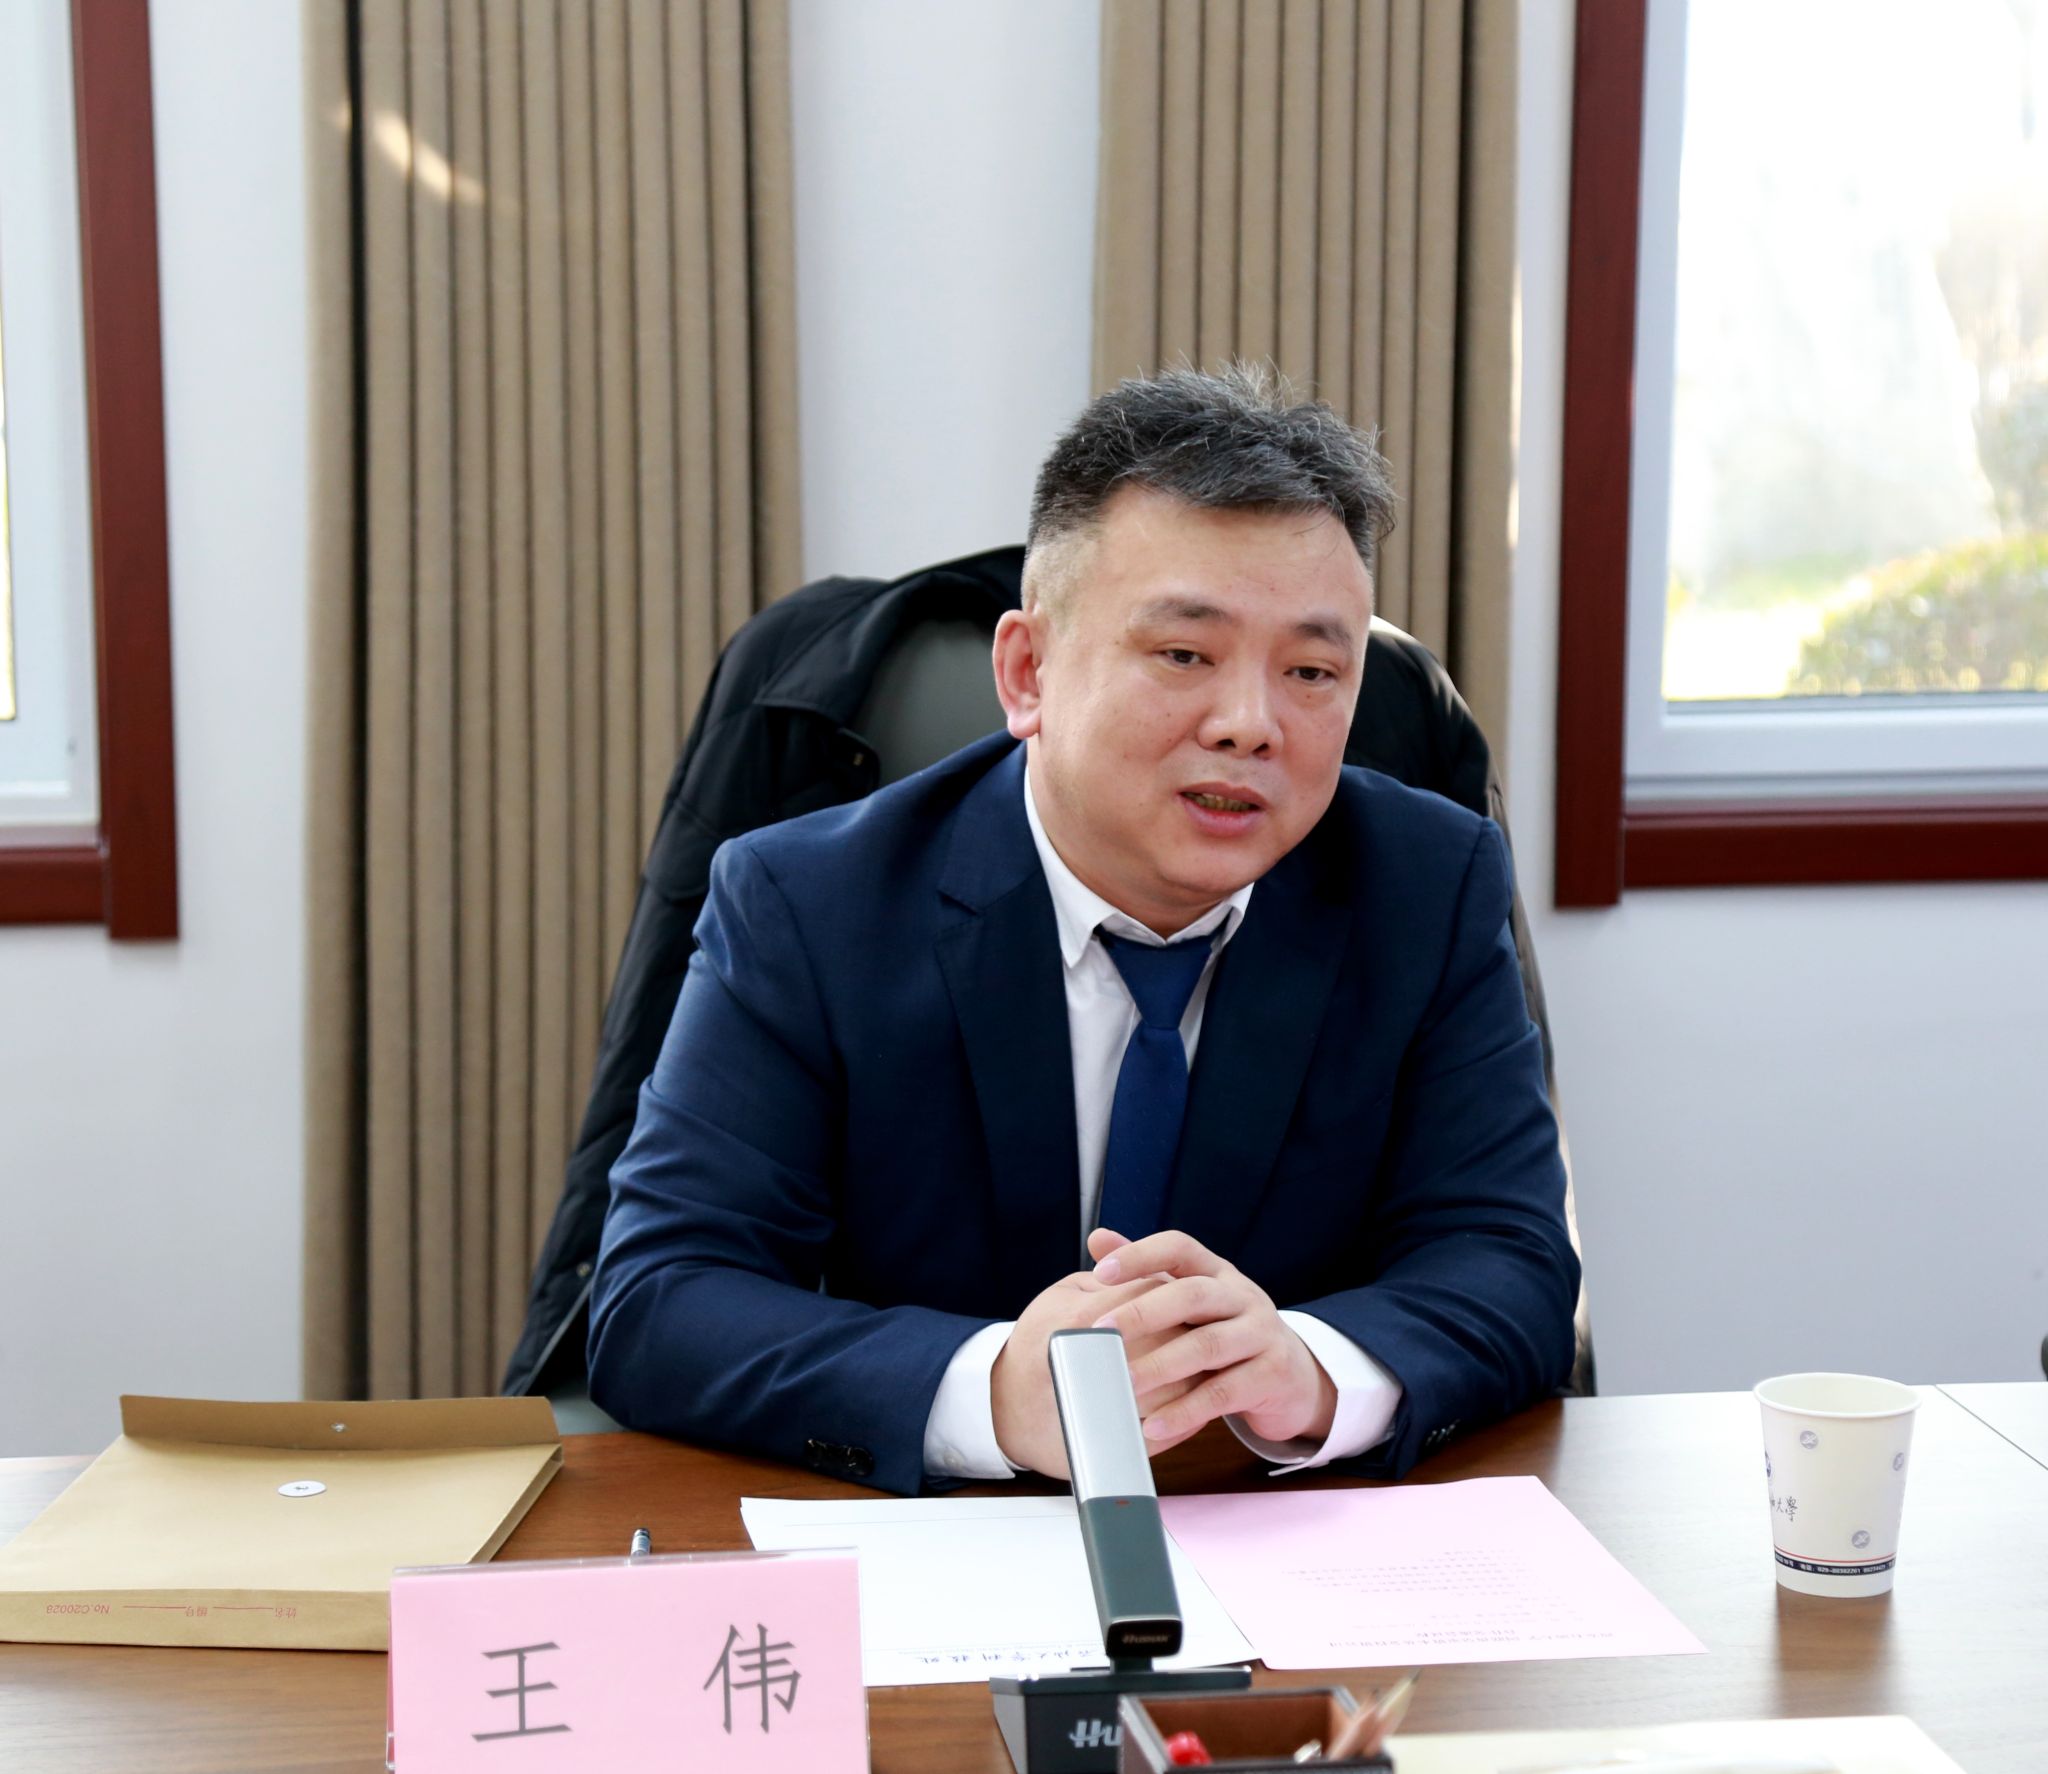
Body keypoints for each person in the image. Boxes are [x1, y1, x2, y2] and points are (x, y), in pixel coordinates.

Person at [588, 364, 1579, 1496]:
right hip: (946, 1540)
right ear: (1028, 672)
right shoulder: (809, 905)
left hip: (1279, 1534)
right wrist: (989, 1391)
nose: (1249, 724)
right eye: (1184, 655)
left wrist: (1308, 1370)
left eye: (1311, 671)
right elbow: (660, 1298)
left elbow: (1510, 1262)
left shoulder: (1428, 884)